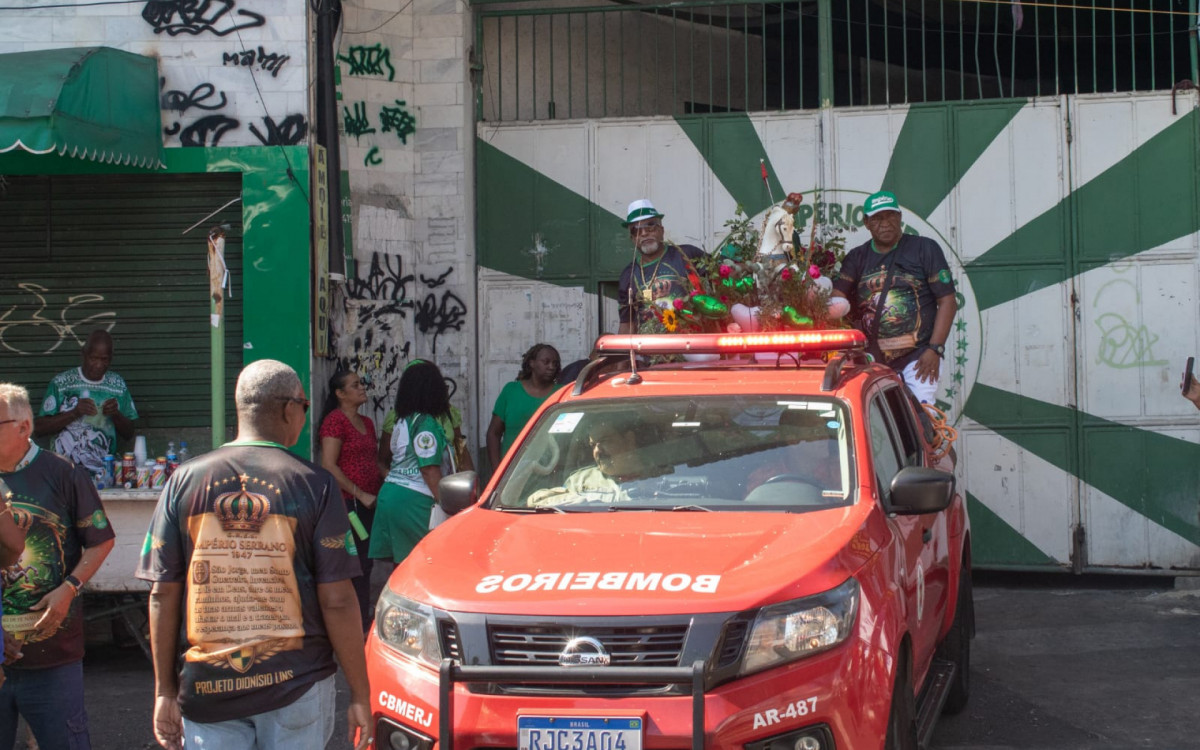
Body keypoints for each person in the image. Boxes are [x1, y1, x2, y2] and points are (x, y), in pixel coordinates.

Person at [136, 360, 371, 750]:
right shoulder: (315, 484)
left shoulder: (184, 480)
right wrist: (360, 693)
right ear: (288, 408)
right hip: (296, 685)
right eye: (305, 407)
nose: (304, 416)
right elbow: (338, 600)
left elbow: (163, 593)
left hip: (208, 688)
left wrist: (164, 690)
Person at [0, 382, 115, 750]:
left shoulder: (63, 473)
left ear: (23, 427)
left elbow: (101, 541)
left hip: (53, 658)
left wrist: (69, 588)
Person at [832, 191, 958, 404]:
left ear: (900, 217)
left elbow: (948, 301)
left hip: (918, 356)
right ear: (867, 223)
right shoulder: (857, 257)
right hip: (872, 359)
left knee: (921, 416)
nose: (886, 223)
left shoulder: (924, 248)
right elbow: (837, 298)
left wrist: (935, 349)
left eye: (891, 216)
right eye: (878, 218)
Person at [371, 361, 458, 566]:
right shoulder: (425, 423)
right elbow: (428, 469)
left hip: (392, 495)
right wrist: (448, 506)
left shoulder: (403, 420)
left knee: (402, 566)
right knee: (428, 564)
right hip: (416, 499)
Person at [317, 370, 382, 633]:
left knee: (367, 561)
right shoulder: (335, 422)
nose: (362, 388)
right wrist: (360, 493)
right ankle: (355, 624)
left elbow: (374, 462)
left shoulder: (367, 422)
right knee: (355, 562)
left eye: (361, 383)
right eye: (355, 385)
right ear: (340, 394)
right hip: (349, 504)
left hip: (370, 503)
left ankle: (362, 620)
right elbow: (329, 465)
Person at [33, 329, 138, 475]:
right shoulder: (61, 383)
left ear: (111, 358)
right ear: (83, 354)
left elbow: (129, 433)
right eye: (93, 358)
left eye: (104, 359)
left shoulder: (118, 385)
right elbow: (39, 428)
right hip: (63, 474)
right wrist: (75, 412)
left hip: (103, 474)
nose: (98, 365)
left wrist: (116, 415)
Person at [617, 199, 706, 334]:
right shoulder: (628, 275)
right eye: (636, 230)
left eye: (650, 226)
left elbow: (722, 275)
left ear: (661, 230)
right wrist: (622, 354)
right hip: (649, 350)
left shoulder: (687, 255)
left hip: (690, 347)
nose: (644, 233)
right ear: (632, 239)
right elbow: (627, 325)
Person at [528, 416, 650, 507]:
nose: (597, 450)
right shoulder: (579, 481)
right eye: (593, 445)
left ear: (629, 440)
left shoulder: (661, 477)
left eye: (605, 441)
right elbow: (536, 501)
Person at [486, 344, 561, 469]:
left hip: (551, 471)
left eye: (555, 363)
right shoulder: (511, 391)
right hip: (513, 472)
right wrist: (497, 470)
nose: (551, 367)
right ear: (532, 363)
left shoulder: (562, 393)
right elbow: (493, 433)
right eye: (546, 362)